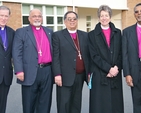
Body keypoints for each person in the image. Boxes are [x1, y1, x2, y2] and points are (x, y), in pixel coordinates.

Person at [12, 9, 53, 113]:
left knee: (45, 102)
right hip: (28, 71)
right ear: (29, 18)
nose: (37, 18)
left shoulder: (49, 32)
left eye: (39, 16)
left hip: (47, 71)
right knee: (29, 103)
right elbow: (16, 52)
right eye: (34, 16)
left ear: (42, 18)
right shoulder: (21, 32)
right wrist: (19, 70)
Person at [88, 5, 124, 113]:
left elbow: (121, 53)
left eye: (106, 15)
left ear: (110, 17)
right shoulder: (92, 35)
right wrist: (109, 69)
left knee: (115, 105)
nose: (104, 18)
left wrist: (116, 68)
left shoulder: (118, 33)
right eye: (102, 15)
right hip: (100, 74)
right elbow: (94, 55)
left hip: (115, 74)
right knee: (100, 105)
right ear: (99, 17)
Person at [52, 11, 89, 113]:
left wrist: (89, 72)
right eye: (69, 19)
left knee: (76, 104)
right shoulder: (58, 36)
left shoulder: (85, 35)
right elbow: (55, 56)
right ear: (64, 21)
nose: (72, 21)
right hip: (64, 76)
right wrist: (57, 74)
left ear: (77, 21)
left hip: (80, 76)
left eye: (74, 19)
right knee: (64, 104)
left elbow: (88, 55)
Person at [122, 3, 141, 113]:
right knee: (137, 102)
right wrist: (127, 74)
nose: (139, 14)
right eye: (137, 12)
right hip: (135, 71)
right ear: (134, 14)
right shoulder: (127, 32)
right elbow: (125, 55)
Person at [0, 6, 15, 113]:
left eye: (6, 16)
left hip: (5, 75)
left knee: (2, 104)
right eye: (1, 15)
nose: (4, 18)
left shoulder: (11, 32)